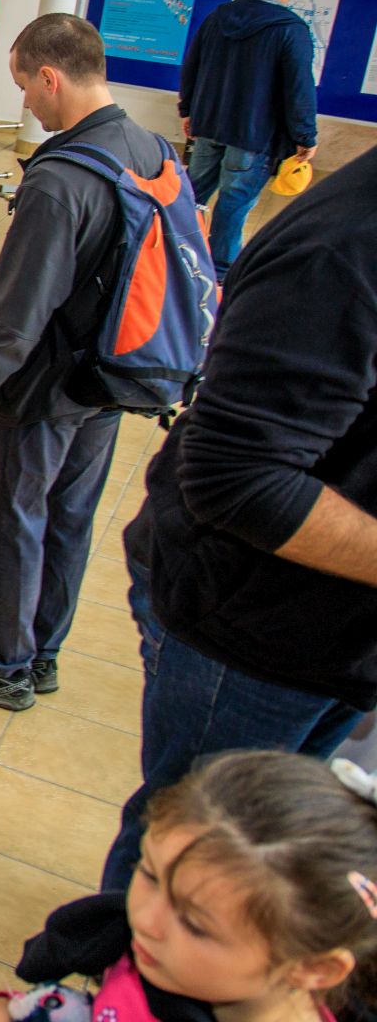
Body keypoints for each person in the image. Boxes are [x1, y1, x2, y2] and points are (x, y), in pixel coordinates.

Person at [96, 141, 377, 892]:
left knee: (265, 844)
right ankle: (121, 959)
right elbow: (236, 473)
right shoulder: (344, 250)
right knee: (195, 844)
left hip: (334, 637)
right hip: (250, 624)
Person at [0, 14, 169, 711]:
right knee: (69, 516)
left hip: (44, 387)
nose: (24, 101)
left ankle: (3, 663)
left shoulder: (61, 179)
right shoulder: (149, 149)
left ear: (52, 78)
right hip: (110, 374)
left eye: (26, 84)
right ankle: (42, 651)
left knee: (13, 517)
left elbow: (14, 320)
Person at [0, 751, 377, 1022]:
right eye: (149, 874)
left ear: (313, 968)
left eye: (195, 925)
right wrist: (14, 1011)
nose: (145, 921)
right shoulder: (174, 966)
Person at [179, 0, 319, 280]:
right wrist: (305, 136)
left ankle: (175, 256)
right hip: (253, 135)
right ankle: (221, 273)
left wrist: (189, 111)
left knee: (191, 195)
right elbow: (299, 89)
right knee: (234, 204)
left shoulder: (218, 17)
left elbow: (192, 65)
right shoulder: (291, 29)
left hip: (209, 125)